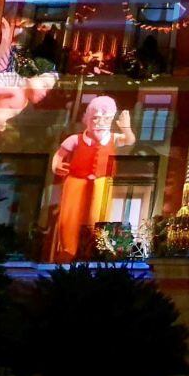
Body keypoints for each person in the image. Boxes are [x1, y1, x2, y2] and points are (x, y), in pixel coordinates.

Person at [50, 96, 135, 262]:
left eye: (106, 118)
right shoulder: (75, 139)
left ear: (111, 120)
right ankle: (68, 250)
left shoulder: (112, 138)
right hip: (76, 180)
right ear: (88, 119)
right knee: (70, 216)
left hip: (102, 181)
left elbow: (130, 140)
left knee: (98, 215)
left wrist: (126, 128)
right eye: (95, 118)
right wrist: (56, 165)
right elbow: (59, 154)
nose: (100, 123)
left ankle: (96, 250)